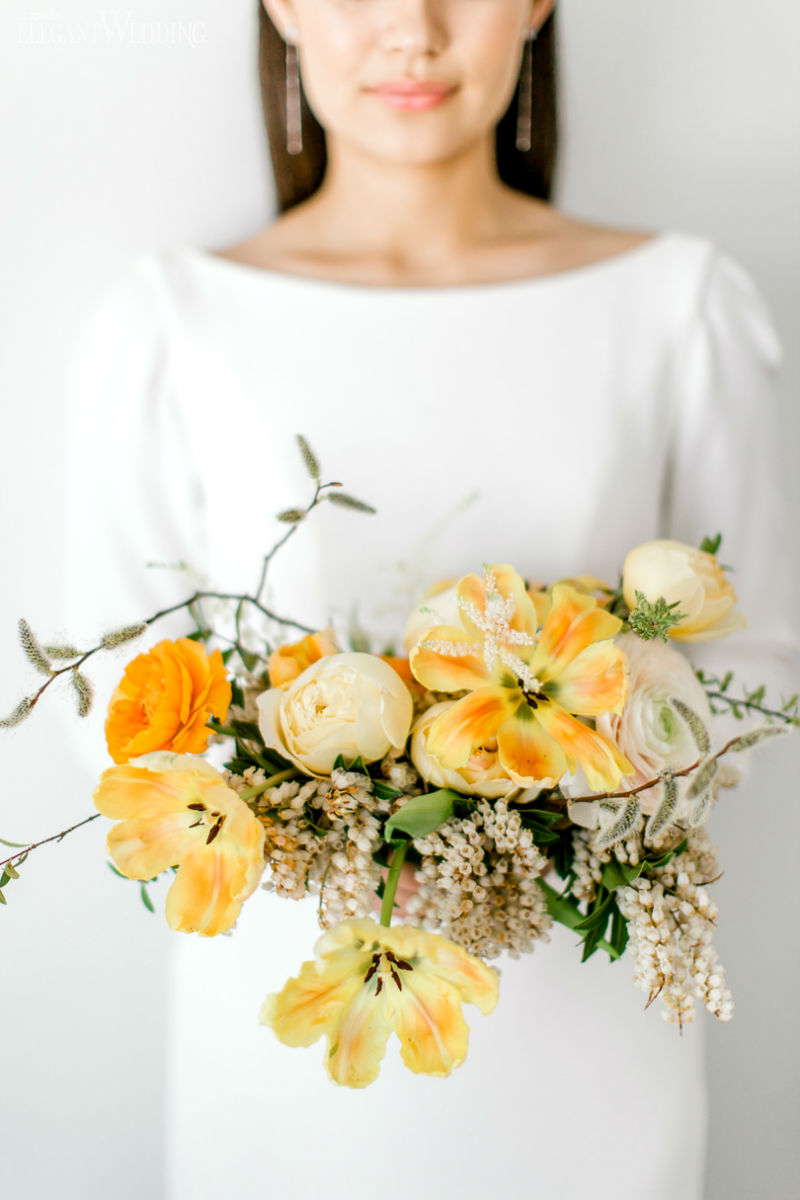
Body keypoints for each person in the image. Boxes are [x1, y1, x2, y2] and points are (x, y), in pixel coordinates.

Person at [63, 2, 798, 1197]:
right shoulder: (172, 323)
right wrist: (330, 833)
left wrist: (537, 814)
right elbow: (106, 683)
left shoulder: (677, 304)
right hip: (290, 1029)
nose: (412, 30)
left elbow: (754, 663)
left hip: (580, 1020)